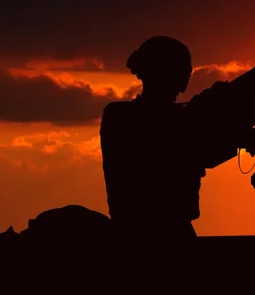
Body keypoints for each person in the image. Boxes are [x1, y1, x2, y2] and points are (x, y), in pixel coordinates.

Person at [99, 36, 242, 259]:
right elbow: (181, 140)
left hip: (140, 235)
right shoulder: (127, 118)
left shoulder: (124, 117)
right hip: (163, 237)